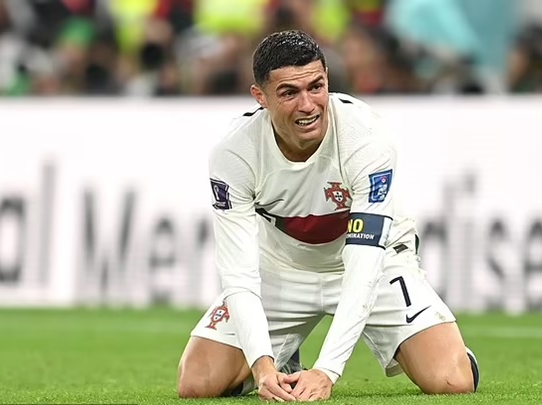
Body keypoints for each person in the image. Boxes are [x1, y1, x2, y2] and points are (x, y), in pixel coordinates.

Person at [177, 29, 479, 401]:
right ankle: (283, 359)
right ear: (260, 97)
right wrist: (263, 367)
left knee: (451, 381)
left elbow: (364, 262)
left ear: (328, 81)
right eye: (289, 93)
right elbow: (238, 273)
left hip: (377, 261)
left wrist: (327, 371)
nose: (308, 105)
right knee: (197, 384)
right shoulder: (234, 154)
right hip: (282, 267)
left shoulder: (365, 137)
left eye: (316, 87)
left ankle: (446, 349)